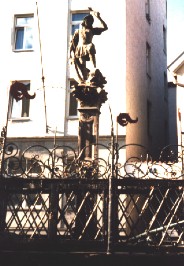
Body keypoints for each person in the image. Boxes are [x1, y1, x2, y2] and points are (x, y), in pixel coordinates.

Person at [70, 9, 108, 84]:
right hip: (80, 48)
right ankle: (85, 80)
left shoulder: (92, 30)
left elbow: (105, 28)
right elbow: (73, 42)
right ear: (84, 21)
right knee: (82, 66)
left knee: (91, 47)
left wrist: (98, 17)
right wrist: (71, 54)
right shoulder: (78, 31)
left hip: (88, 46)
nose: (89, 22)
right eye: (88, 21)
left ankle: (94, 68)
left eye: (91, 21)